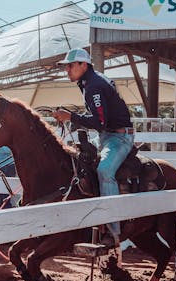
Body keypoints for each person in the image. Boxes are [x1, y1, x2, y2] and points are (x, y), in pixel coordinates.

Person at [52, 48, 134, 248]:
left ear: (83, 65)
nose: (67, 70)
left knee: (105, 170)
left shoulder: (93, 86)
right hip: (109, 136)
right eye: (66, 67)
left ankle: (113, 230)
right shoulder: (91, 82)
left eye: (70, 66)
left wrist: (71, 117)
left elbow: (100, 121)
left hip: (118, 137)